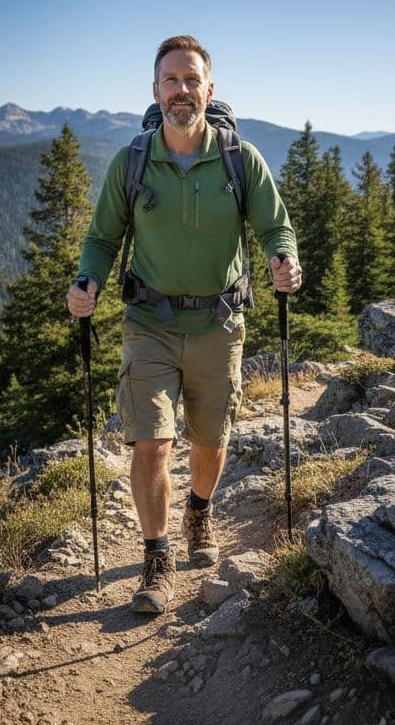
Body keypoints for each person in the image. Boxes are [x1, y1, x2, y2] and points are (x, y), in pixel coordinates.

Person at [67, 35, 301, 614]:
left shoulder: (239, 159)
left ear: (209, 89)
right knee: (151, 442)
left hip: (219, 323)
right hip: (147, 321)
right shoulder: (134, 160)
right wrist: (87, 282)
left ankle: (198, 510)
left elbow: (277, 226)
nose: (182, 90)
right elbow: (101, 238)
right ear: (155, 90)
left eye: (191, 80)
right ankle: (156, 557)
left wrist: (283, 260)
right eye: (171, 81)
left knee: (209, 440)